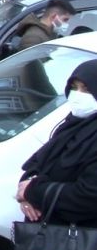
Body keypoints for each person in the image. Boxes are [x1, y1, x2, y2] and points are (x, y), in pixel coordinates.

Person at [16, 60, 97, 233]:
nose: (77, 95)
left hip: (80, 240)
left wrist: (33, 192)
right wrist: (26, 193)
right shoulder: (72, 124)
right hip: (48, 232)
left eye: (87, 90)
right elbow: (40, 161)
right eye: (74, 88)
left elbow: (87, 197)